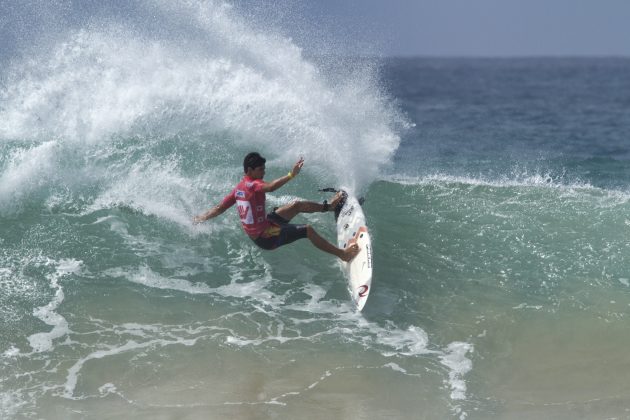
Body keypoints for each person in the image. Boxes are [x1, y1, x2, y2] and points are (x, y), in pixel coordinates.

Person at [193, 152, 360, 262]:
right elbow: (271, 187)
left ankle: (330, 206)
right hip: (266, 237)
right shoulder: (253, 185)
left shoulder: (239, 189)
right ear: (249, 170)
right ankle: (342, 255)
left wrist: (200, 218)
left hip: (266, 225)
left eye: (264, 169)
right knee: (307, 230)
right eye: (260, 170)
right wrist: (291, 174)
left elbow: (219, 208)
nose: (263, 172)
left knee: (296, 205)